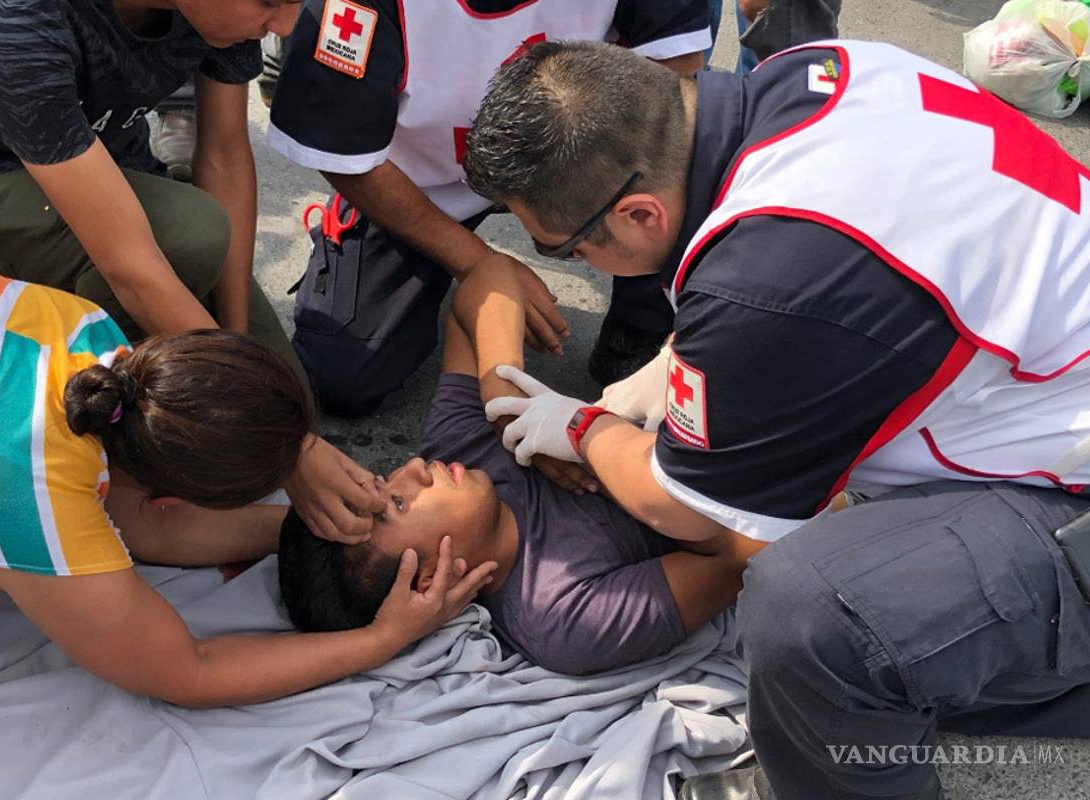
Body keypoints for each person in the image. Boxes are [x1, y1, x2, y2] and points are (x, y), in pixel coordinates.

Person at [462, 41, 1090, 799]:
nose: (563, 262)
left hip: (1069, 481)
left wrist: (589, 430)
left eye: (557, 247)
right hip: (1049, 367)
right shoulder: (817, 69)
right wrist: (644, 386)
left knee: (819, 619)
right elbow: (772, 293)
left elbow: (686, 509)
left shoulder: (770, 285)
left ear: (636, 214)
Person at [0, 255, 495, 708]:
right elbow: (190, 672)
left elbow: (138, 519)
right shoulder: (34, 512)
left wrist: (310, 523)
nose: (411, 468)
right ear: (171, 497)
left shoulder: (85, 333)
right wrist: (383, 640)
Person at [279, 267, 760, 674]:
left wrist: (501, 397)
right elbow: (745, 550)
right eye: (398, 504)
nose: (413, 468)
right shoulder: (563, 617)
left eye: (385, 481)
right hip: (765, 464)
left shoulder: (459, 449)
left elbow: (488, 277)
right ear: (426, 583)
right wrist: (595, 442)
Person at [266, 0, 713, 417]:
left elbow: (674, 87)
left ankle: (641, 325)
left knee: (673, 173)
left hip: (572, 153)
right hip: (422, 178)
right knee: (345, 377)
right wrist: (477, 262)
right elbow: (343, 155)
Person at [0, 0, 297, 357]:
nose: (285, 25)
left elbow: (224, 157)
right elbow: (128, 264)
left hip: (118, 168)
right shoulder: (10, 10)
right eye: (269, 0)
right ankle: (90, 371)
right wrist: (238, 391)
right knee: (194, 236)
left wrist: (240, 345)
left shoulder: (230, 12)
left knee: (286, 392)